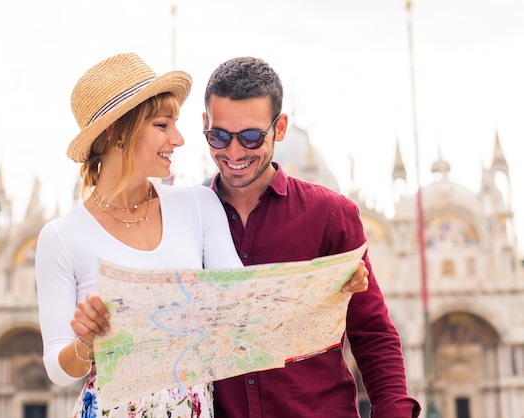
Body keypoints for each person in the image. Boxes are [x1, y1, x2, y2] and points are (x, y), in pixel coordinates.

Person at [35, 53, 369, 418]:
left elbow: (242, 306)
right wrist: (86, 341)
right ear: (118, 132)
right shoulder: (60, 238)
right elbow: (58, 368)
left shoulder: (198, 205)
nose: (178, 139)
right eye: (163, 125)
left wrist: (326, 284)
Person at [202, 56, 422, 418]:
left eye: (252, 137)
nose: (235, 152)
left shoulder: (330, 215)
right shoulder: (186, 219)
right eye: (220, 136)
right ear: (205, 125)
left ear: (281, 127)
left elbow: (372, 332)